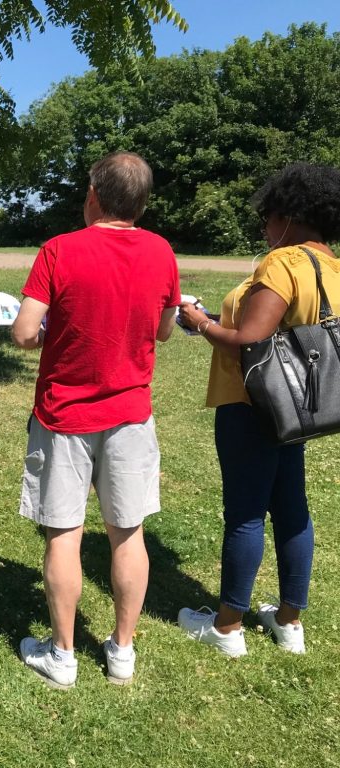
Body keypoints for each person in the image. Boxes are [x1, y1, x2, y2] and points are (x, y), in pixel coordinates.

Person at [12, 151, 180, 688]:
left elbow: (22, 332)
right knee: (127, 533)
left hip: (64, 415)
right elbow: (164, 330)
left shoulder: (59, 250)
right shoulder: (161, 252)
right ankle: (122, 652)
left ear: (92, 195)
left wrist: (47, 333)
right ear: (143, 203)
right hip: (131, 413)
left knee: (64, 533)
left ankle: (62, 657)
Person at [177, 162, 340, 657]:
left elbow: (249, 342)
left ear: (289, 215)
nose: (264, 227)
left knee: (246, 513)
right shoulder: (333, 265)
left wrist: (199, 321)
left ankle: (227, 627)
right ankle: (289, 622)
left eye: (268, 216)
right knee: (292, 509)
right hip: (303, 405)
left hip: (254, 403)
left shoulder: (282, 262)